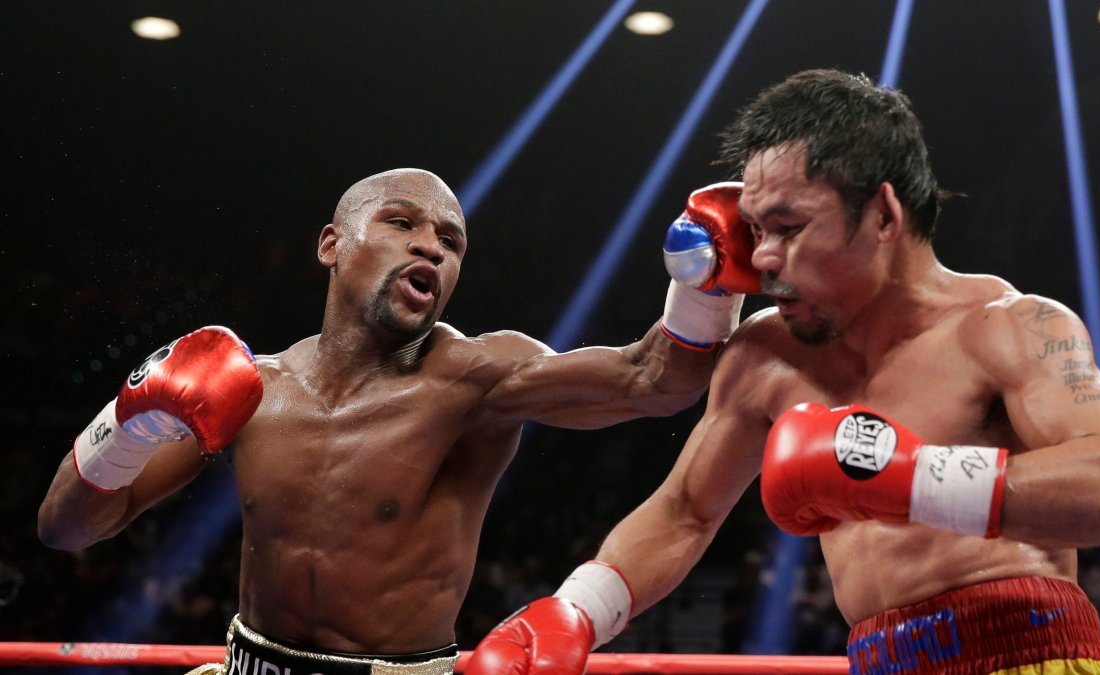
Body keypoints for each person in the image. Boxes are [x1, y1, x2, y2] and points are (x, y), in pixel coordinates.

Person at [465, 70, 1100, 675]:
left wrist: (910, 479)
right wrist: (577, 610)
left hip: (1030, 652)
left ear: (885, 214)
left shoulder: (1007, 327)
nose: (762, 258)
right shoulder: (767, 355)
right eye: (755, 229)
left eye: (789, 227)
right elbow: (684, 512)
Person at [37, 168, 761, 675]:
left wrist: (706, 281)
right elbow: (66, 530)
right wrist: (128, 424)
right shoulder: (253, 389)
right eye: (402, 222)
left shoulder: (475, 379)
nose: (431, 247)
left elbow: (653, 380)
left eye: (451, 242)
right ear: (332, 245)